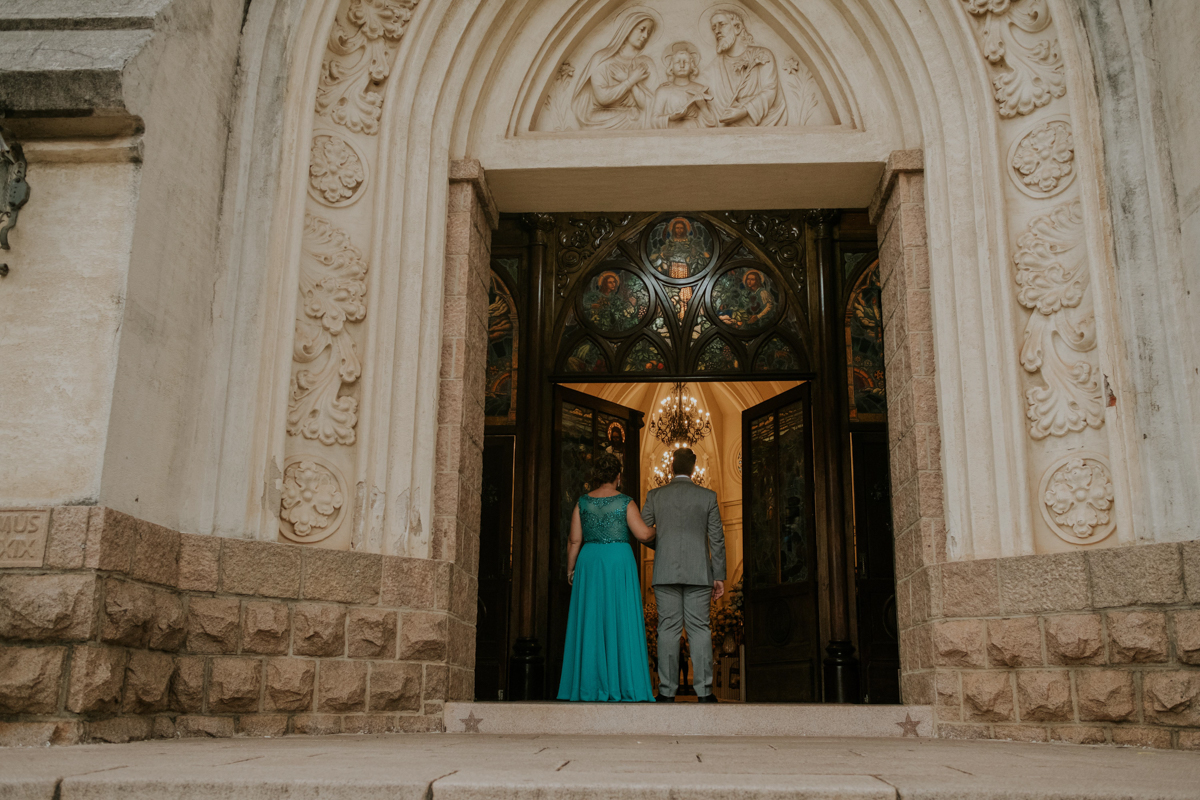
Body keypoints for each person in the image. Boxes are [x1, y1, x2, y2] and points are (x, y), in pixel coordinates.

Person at [558, 453, 657, 702]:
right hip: (618, 562)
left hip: (590, 562)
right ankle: (623, 683)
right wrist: (661, 526)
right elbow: (644, 535)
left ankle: (589, 686)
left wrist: (571, 570)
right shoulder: (626, 502)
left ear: (597, 476)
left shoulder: (582, 502)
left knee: (591, 619)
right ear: (618, 476)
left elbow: (574, 540)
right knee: (620, 618)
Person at [641, 447, 726, 702]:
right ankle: (705, 692)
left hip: (665, 571)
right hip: (700, 572)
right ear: (693, 469)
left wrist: (664, 546)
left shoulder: (655, 495)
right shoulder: (708, 496)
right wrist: (718, 575)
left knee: (667, 630)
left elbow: (643, 530)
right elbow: (717, 539)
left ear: (671, 467)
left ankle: (666, 693)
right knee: (700, 629)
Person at [572, 11, 658, 130]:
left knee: (644, 119)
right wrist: (630, 80)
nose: (645, 36)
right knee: (635, 118)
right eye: (642, 29)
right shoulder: (602, 59)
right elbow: (603, 98)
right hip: (603, 118)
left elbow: (651, 105)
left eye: (648, 32)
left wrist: (630, 82)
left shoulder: (645, 64)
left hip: (634, 117)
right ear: (628, 29)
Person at [708, 7, 788, 127]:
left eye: (722, 24)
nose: (717, 31)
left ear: (737, 28)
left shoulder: (762, 55)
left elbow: (770, 90)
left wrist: (745, 110)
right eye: (714, 27)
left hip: (763, 124)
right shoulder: (715, 65)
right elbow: (699, 87)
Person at [650, 42, 717, 129]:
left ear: (692, 67)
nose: (682, 65)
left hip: (694, 132)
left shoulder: (700, 89)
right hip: (671, 134)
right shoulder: (663, 91)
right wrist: (671, 117)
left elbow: (712, 123)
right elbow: (654, 120)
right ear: (671, 67)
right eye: (678, 62)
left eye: (686, 62)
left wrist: (702, 106)